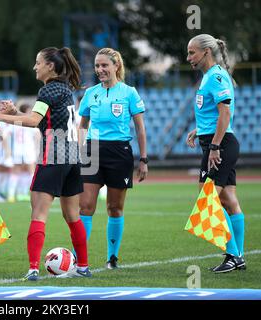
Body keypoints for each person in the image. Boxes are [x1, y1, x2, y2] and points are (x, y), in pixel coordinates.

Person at [0, 47, 91, 280]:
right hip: (72, 158)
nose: (35, 67)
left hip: (53, 156)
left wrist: (1, 117)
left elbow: (34, 121)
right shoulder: (65, 89)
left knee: (38, 214)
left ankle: (33, 268)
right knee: (73, 216)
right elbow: (48, 120)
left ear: (50, 66)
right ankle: (83, 266)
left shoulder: (47, 90)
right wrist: (15, 111)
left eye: (38, 63)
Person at [78, 48, 148, 269]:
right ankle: (80, 259)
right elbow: (82, 125)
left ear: (116, 66)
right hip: (93, 151)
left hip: (120, 153)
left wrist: (143, 159)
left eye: (104, 65)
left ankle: (112, 257)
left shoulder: (129, 93)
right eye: (97, 66)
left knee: (114, 208)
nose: (100, 70)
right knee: (85, 206)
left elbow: (140, 128)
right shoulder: (90, 93)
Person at [186, 34, 246, 273]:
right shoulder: (208, 77)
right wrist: (198, 130)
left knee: (206, 200)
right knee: (229, 201)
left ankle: (232, 254)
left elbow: (225, 115)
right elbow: (214, 115)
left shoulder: (216, 76)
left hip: (219, 145)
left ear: (206, 53)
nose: (189, 57)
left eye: (192, 52)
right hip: (214, 141)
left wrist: (214, 146)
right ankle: (238, 257)